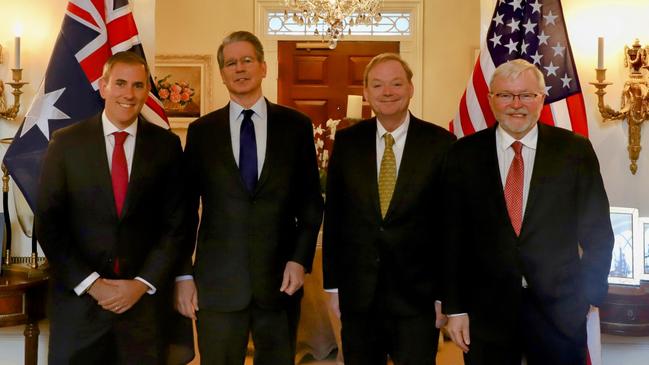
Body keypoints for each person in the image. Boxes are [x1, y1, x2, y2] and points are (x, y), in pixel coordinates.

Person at [443, 59, 614, 365]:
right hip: (486, 312)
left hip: (561, 311)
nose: (516, 105)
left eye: (526, 95)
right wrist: (456, 308)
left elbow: (598, 231)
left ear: (541, 98)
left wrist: (589, 295)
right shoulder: (462, 154)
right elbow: (452, 238)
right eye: (506, 95)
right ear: (490, 99)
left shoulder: (574, 151)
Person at [174, 30, 323, 365]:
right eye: (230, 63)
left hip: (280, 283)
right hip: (217, 285)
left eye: (246, 60)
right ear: (223, 73)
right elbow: (182, 212)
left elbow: (311, 204)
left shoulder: (297, 127)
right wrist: (183, 274)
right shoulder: (201, 132)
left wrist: (299, 260)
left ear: (263, 67)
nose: (239, 69)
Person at [36, 51, 185, 364]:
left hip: (142, 308)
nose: (128, 94)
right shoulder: (65, 143)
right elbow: (49, 224)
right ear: (103, 86)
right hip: (80, 309)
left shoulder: (167, 146)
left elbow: (178, 224)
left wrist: (141, 283)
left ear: (147, 91)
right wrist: (94, 285)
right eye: (119, 83)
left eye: (138, 85)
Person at [322, 53, 455, 365]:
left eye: (396, 83)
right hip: (359, 295)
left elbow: (450, 227)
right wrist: (332, 285)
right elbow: (336, 218)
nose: (387, 92)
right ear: (366, 93)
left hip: (417, 298)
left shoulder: (442, 144)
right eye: (377, 85)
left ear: (410, 88)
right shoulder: (347, 142)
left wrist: (444, 294)